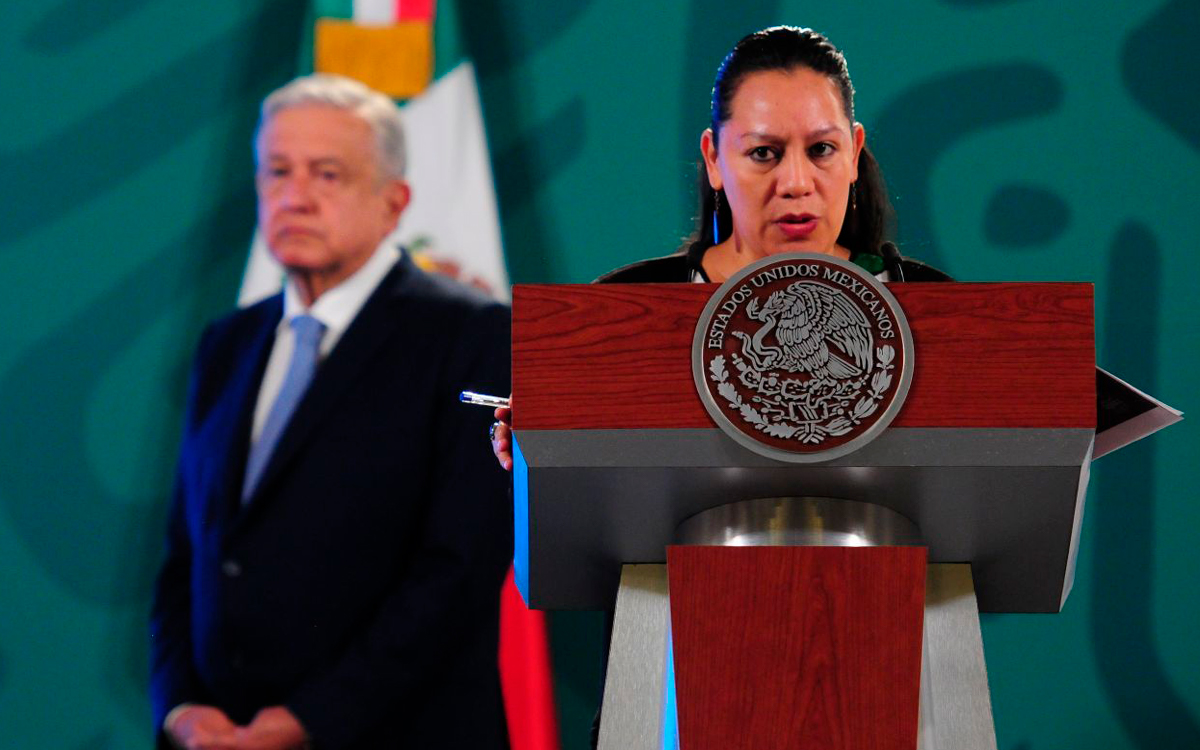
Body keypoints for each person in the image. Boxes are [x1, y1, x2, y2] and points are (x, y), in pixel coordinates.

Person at [150, 74, 513, 750]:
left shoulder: (471, 334)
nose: (295, 197)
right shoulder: (226, 344)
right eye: (277, 171)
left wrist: (308, 722)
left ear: (394, 202)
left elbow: (458, 570)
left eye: (327, 174)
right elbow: (187, 555)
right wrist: (179, 708)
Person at [490, 25, 949, 470]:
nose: (796, 183)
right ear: (714, 159)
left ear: (854, 153)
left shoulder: (939, 309)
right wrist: (533, 439)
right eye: (764, 153)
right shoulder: (617, 315)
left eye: (822, 149)